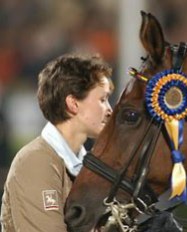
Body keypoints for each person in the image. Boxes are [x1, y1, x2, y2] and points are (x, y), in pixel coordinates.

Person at [0, 53, 113, 232]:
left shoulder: (89, 167)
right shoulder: (36, 162)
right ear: (73, 104)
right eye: (102, 99)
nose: (109, 110)